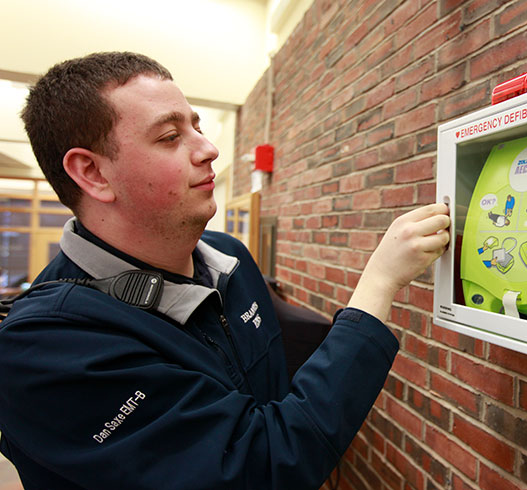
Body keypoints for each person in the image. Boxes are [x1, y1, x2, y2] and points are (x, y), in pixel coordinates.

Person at [0, 52, 450, 489]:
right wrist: (380, 281)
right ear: (93, 173)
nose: (210, 149)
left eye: (197, 126)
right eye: (169, 137)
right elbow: (262, 466)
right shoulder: (46, 350)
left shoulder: (229, 257)